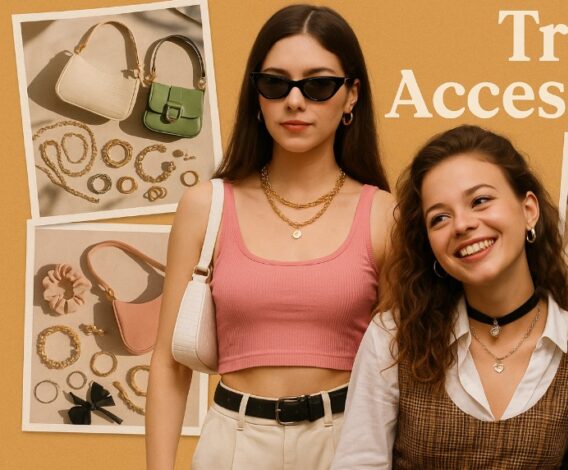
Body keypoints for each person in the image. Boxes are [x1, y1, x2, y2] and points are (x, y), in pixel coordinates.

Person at [145, 5, 394, 470]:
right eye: (276, 83)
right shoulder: (205, 206)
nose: (295, 101)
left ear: (352, 95)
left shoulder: (385, 215)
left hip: (348, 442)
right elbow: (168, 363)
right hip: (232, 443)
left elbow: (402, 372)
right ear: (256, 94)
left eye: (318, 85)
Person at [331, 125, 568, 469]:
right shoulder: (392, 337)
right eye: (440, 218)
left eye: (480, 200)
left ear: (529, 210)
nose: (461, 224)